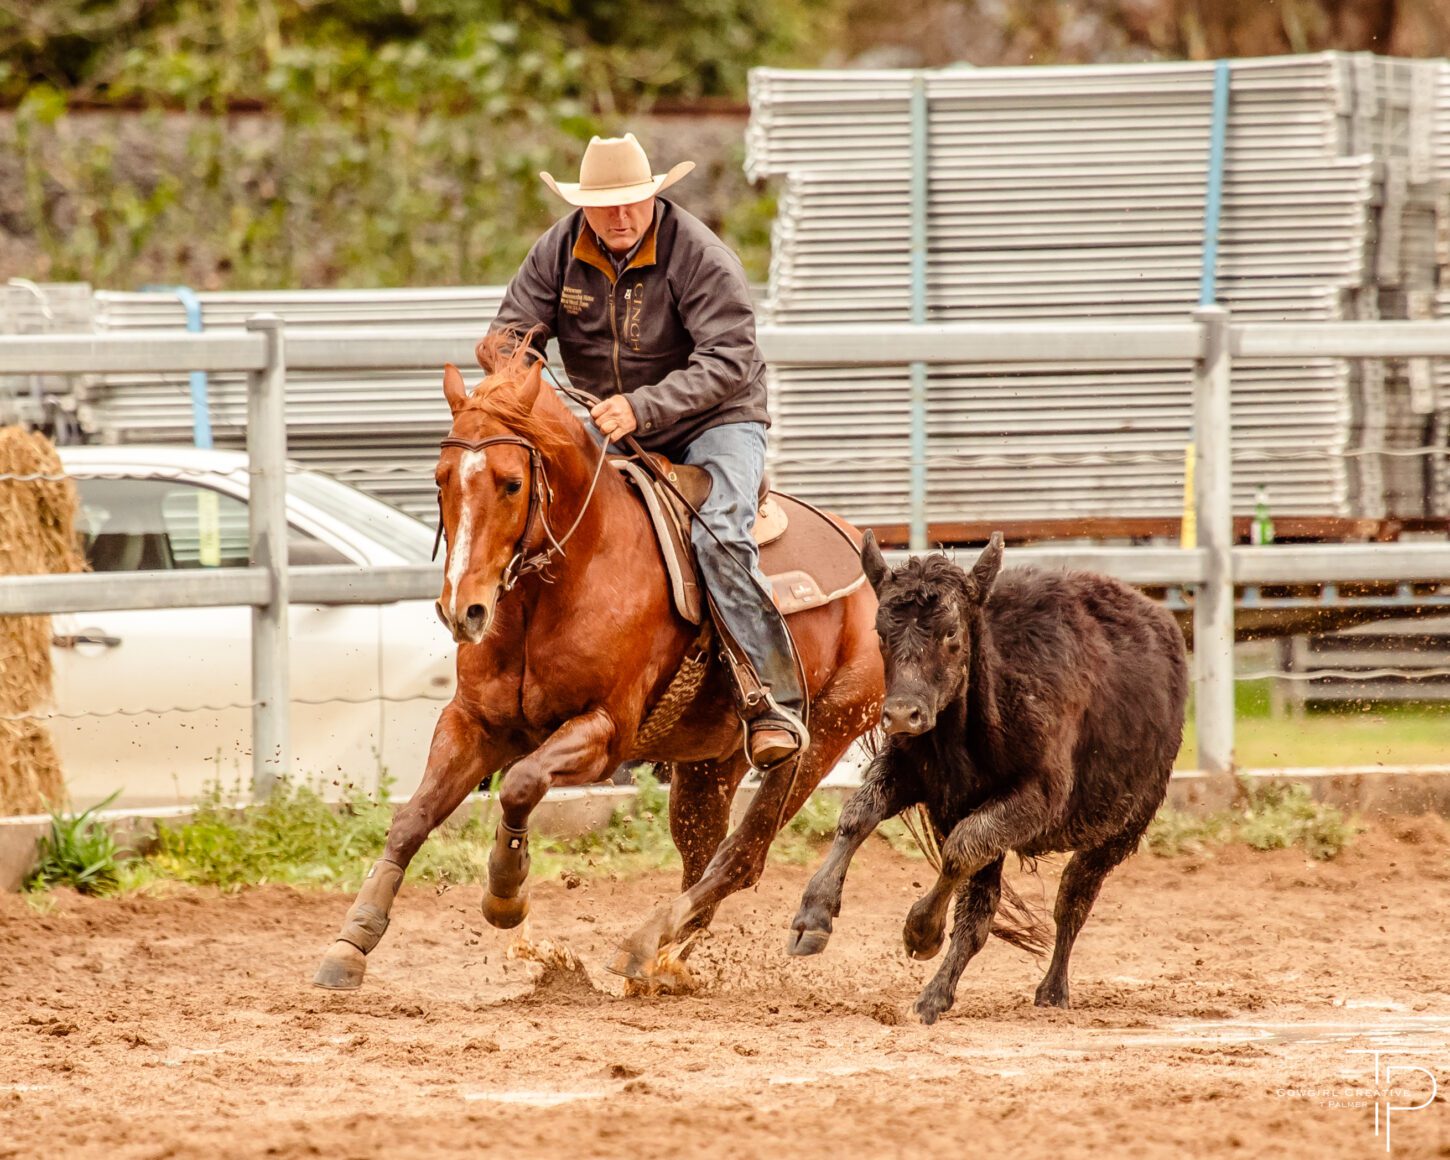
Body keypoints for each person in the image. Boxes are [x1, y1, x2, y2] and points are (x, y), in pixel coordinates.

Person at [490, 132, 808, 770]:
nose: (621, 215)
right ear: (584, 207)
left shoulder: (699, 255)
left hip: (717, 419)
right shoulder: (556, 252)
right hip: (611, 422)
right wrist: (511, 371)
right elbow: (509, 332)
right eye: (606, 205)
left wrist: (643, 406)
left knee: (720, 532)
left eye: (632, 201)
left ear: (653, 197)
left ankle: (770, 695)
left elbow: (730, 359)